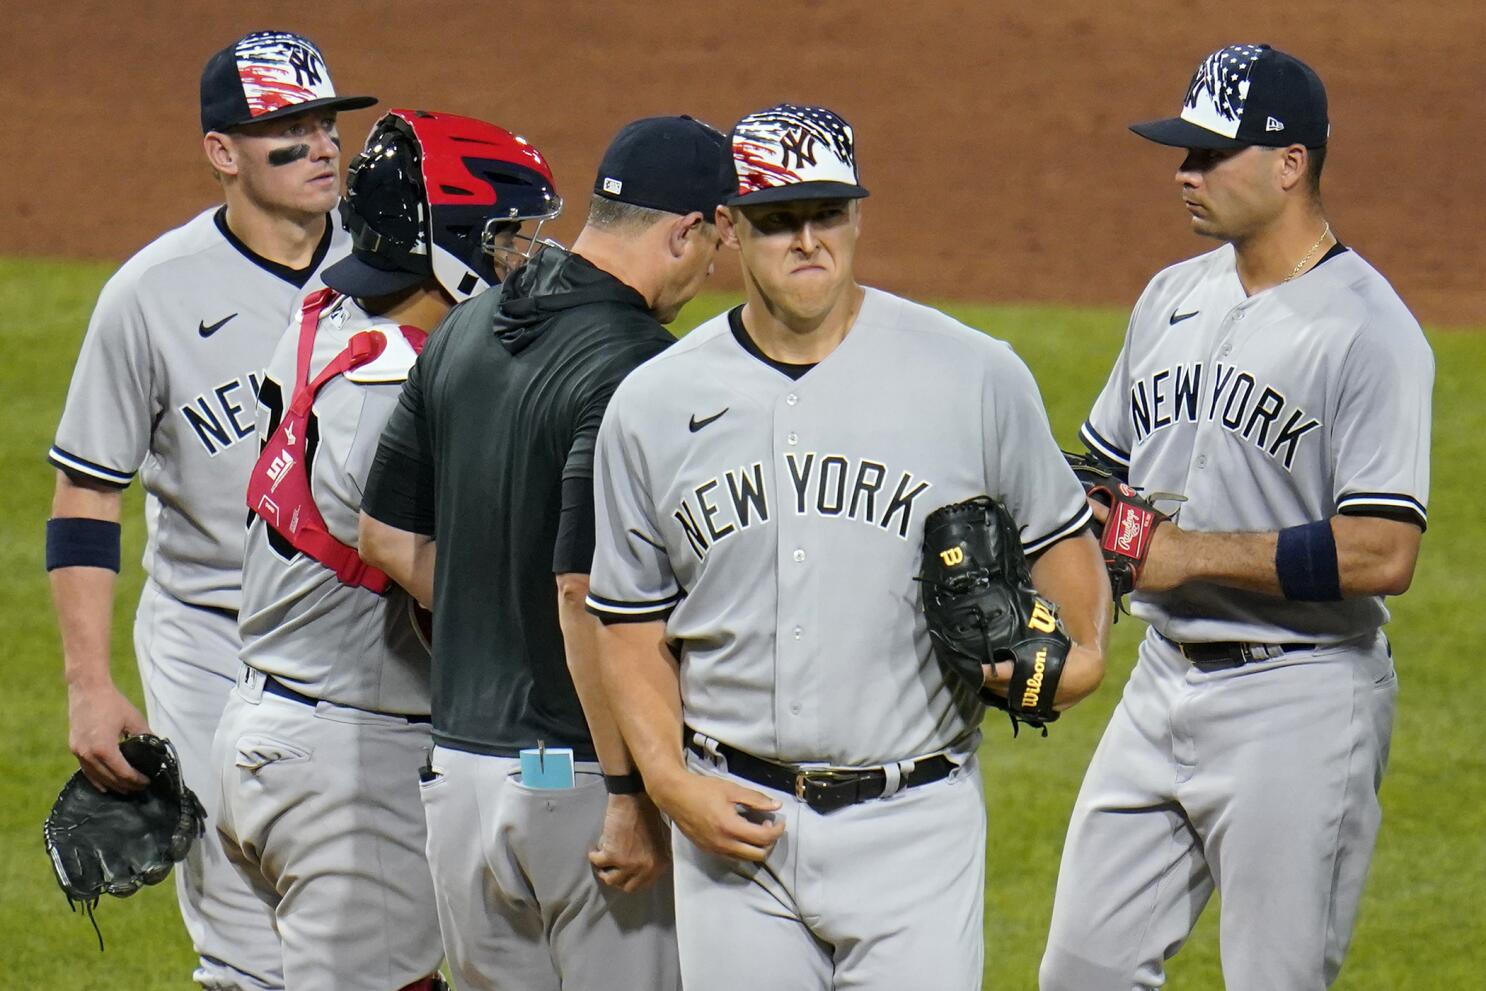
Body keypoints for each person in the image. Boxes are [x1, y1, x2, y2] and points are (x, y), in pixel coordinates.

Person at [585, 103, 1111, 991]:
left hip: (916, 826)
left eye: (827, 213)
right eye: (778, 219)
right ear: (729, 227)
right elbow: (628, 622)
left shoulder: (973, 374)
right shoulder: (652, 402)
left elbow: (1064, 549)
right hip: (734, 825)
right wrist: (669, 783)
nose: (807, 241)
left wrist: (1076, 663)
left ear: (858, 216)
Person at [1039, 45, 1432, 991]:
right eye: (1184, 152)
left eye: (1211, 155)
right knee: (1080, 973)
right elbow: (1104, 472)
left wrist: (1183, 553)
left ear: (1291, 163)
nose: (1185, 171)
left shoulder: (1370, 333)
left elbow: (1385, 550)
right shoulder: (1172, 295)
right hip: (1162, 683)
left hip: (1298, 702)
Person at [356, 114, 732, 991]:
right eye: (714, 242)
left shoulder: (464, 321)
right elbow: (581, 593)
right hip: (579, 782)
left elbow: (385, 535)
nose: (712, 269)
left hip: (457, 776)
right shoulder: (641, 367)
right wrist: (631, 790)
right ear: (684, 230)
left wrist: (499, 613)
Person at [45, 30, 374, 989]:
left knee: (389, 914)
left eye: (326, 123)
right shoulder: (149, 294)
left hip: (370, 635)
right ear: (221, 151)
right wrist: (87, 684)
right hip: (210, 643)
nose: (321, 145)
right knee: (243, 934)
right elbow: (85, 494)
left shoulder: (395, 266)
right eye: (287, 128)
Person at [212, 108, 560, 991]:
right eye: (507, 238)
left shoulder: (326, 307)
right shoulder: (393, 394)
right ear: (446, 249)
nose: (522, 259)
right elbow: (457, 592)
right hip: (346, 761)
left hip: (280, 730)